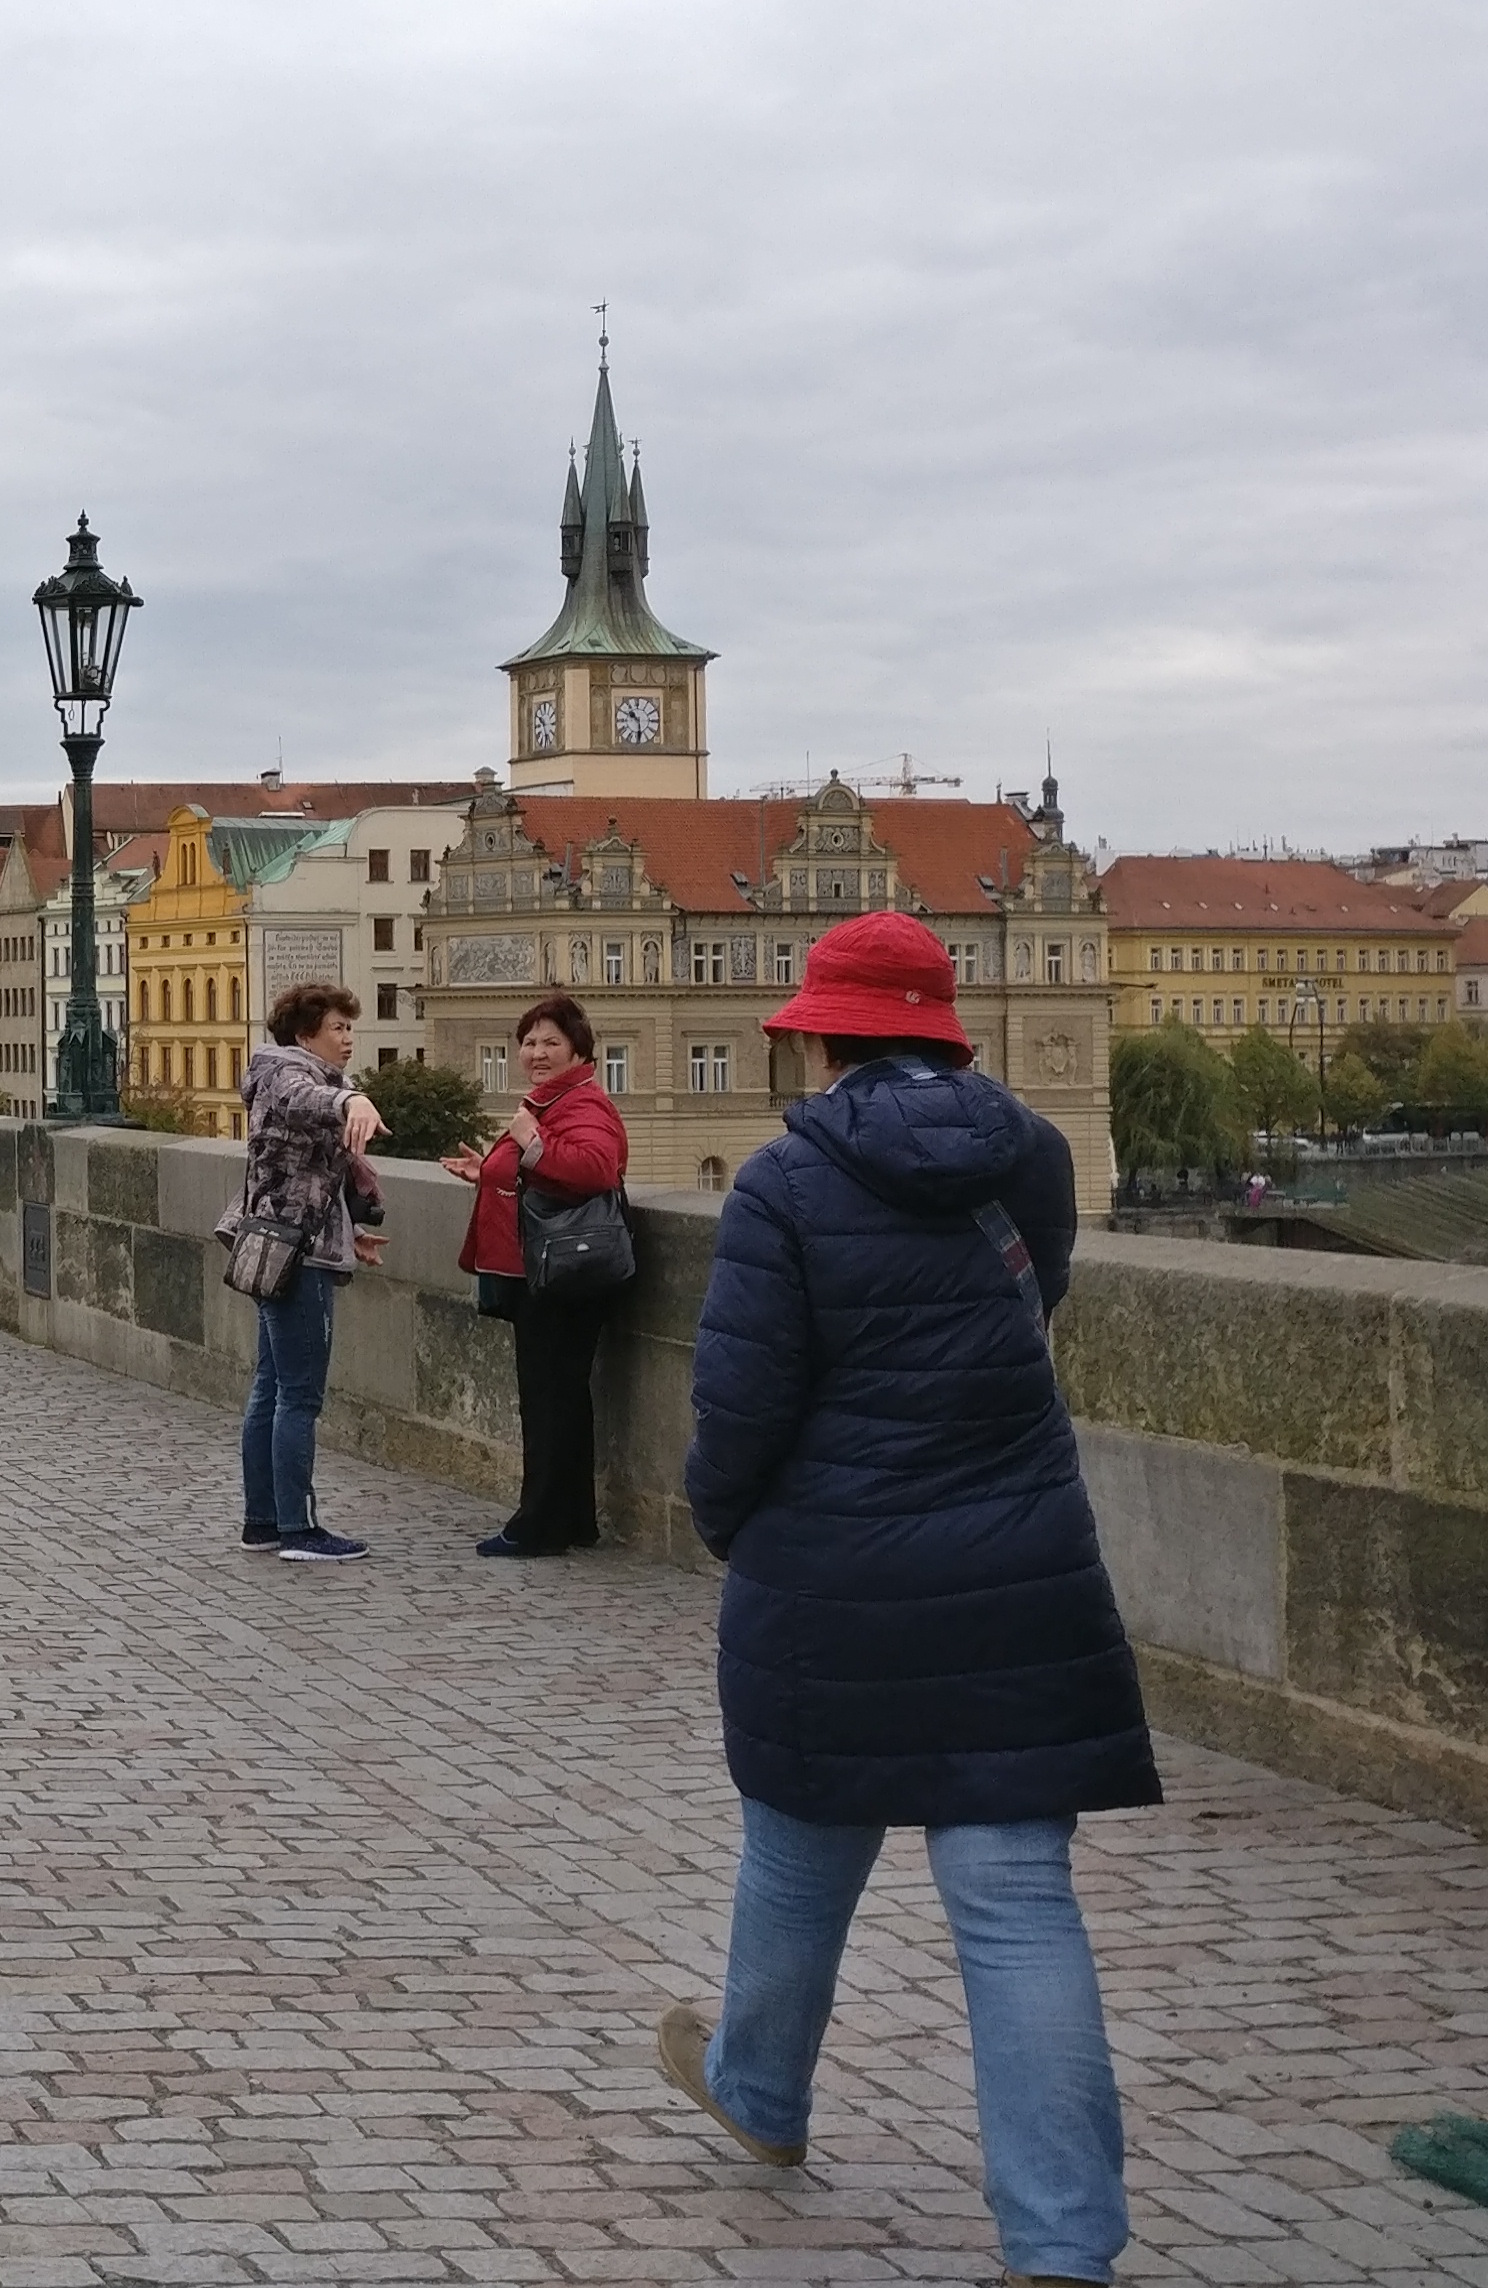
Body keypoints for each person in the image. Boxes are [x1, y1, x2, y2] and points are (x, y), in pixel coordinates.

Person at [655, 912, 1145, 2288]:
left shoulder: (783, 1180)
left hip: (834, 1568)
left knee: (800, 1840)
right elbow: (1034, 1298)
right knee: (1015, 1900)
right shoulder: (1033, 1151)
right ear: (946, 1030)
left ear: (818, 1035)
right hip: (1018, 1560)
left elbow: (741, 1402)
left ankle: (758, 2089)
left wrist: (726, 1525)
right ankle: (1062, 2240)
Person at [440, 994, 630, 1557]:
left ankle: (538, 1526)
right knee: (562, 1397)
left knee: (547, 1399)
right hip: (549, 1268)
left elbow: (595, 1168)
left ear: (579, 1051)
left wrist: (528, 1140)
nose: (537, 1053)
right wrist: (489, 1172)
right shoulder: (554, 1100)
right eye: (529, 1042)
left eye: (551, 1042)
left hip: (561, 1273)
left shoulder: (581, 1103)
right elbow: (544, 1174)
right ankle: (573, 1519)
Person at [230, 982, 384, 1562]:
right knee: (298, 1396)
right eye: (337, 1028)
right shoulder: (287, 1073)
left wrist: (352, 1230)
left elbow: (298, 1175)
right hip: (299, 1255)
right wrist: (352, 1101)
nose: (348, 1039)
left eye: (350, 1028)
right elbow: (304, 1100)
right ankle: (298, 1528)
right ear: (304, 1035)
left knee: (271, 1387)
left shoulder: (281, 1071)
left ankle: (264, 1522)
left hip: (278, 1243)